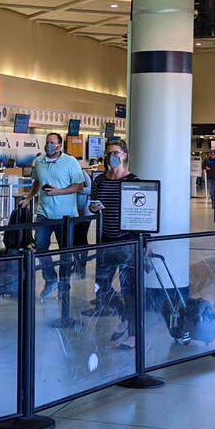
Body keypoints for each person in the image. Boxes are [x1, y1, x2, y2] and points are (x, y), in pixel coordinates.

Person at [20, 132, 86, 300]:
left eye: (52, 142)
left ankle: (64, 287)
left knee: (65, 253)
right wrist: (28, 198)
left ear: (60, 145)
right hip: (44, 214)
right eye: (47, 142)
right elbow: (37, 182)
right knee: (40, 247)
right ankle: (50, 280)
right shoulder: (39, 162)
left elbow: (79, 186)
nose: (49, 145)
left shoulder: (70, 162)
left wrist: (59, 192)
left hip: (66, 216)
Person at [86, 139, 138, 347]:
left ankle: (133, 334)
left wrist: (145, 243)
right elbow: (91, 205)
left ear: (124, 155)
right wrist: (94, 208)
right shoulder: (100, 180)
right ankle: (124, 316)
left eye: (115, 152)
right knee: (102, 286)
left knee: (129, 289)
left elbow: (142, 212)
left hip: (127, 241)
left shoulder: (133, 180)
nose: (111, 156)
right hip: (106, 240)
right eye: (108, 153)